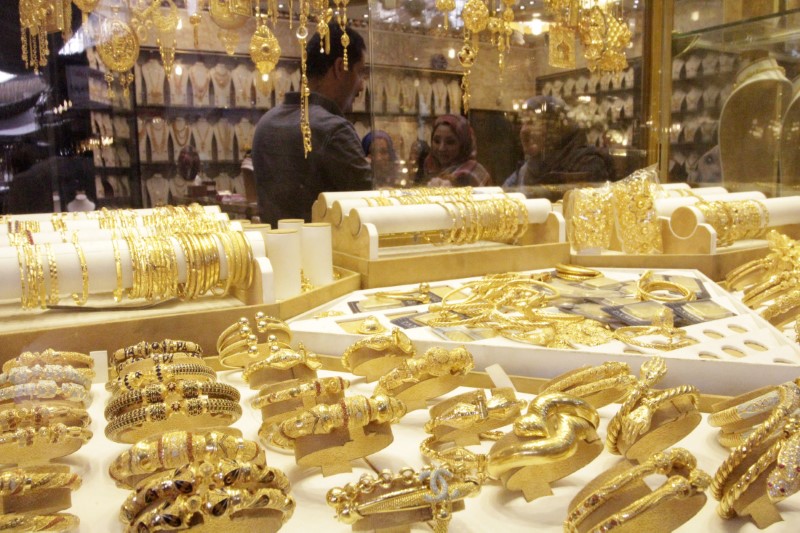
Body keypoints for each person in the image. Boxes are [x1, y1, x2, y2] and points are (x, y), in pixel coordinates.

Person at [252, 23, 371, 225]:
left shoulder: (266, 124)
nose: (361, 85)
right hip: (326, 255)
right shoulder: (334, 130)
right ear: (339, 68)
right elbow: (369, 208)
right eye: (359, 72)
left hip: (274, 253)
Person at [503, 96, 615, 188]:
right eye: (523, 123)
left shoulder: (587, 163)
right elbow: (503, 197)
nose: (523, 130)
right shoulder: (529, 168)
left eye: (532, 122)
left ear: (556, 127)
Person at [423, 114, 490, 187]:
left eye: (450, 142)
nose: (441, 148)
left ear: (463, 145)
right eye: (436, 141)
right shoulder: (431, 166)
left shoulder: (473, 173)